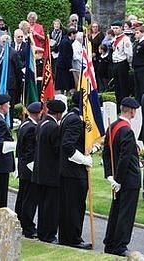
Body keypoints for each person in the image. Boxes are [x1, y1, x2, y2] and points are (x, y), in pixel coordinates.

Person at [102, 97, 141, 257]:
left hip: (119, 178)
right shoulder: (127, 130)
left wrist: (110, 175)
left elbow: (106, 153)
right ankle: (119, 245)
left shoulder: (112, 126)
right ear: (131, 111)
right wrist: (117, 179)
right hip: (128, 179)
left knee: (116, 211)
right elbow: (125, 157)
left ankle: (110, 242)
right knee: (126, 213)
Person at [59, 91, 93, 249]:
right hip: (74, 171)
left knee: (69, 205)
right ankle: (73, 239)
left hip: (68, 171)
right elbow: (67, 145)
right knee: (75, 206)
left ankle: (67, 237)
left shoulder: (69, 116)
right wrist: (84, 160)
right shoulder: (75, 120)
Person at [32, 99, 66, 243]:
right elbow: (57, 149)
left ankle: (42, 232)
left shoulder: (41, 124)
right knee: (51, 207)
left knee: (43, 205)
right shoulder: (54, 128)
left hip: (39, 172)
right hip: (51, 173)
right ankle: (49, 235)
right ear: (58, 114)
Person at [15, 102, 42, 239]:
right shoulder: (32, 128)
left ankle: (19, 223)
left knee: (22, 198)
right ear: (38, 113)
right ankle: (28, 227)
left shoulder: (24, 124)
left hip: (23, 167)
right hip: (29, 168)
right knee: (29, 200)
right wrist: (35, 170)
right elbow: (29, 152)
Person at [111, 21, 133, 111]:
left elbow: (129, 54)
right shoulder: (115, 39)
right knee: (117, 86)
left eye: (117, 28)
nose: (115, 30)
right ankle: (118, 105)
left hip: (122, 63)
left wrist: (129, 63)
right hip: (115, 63)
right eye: (114, 28)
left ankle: (125, 105)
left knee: (123, 86)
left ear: (121, 28)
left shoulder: (125, 39)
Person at [55, 28, 77, 94]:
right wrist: (70, 66)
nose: (75, 37)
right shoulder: (66, 42)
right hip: (64, 66)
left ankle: (64, 92)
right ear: (72, 34)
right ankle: (65, 93)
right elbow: (66, 56)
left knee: (63, 82)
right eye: (75, 35)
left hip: (62, 64)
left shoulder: (64, 40)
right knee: (65, 82)